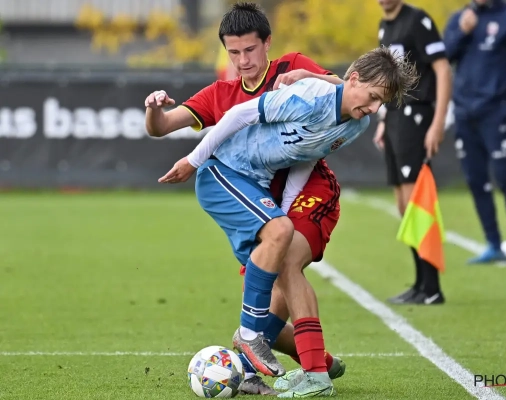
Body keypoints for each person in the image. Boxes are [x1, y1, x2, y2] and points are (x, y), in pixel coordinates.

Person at [159, 46, 417, 397]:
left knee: (283, 254)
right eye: (373, 97)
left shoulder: (358, 124)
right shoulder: (308, 96)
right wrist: (193, 159)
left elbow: (305, 157)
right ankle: (267, 346)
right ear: (354, 79)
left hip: (268, 186)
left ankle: (272, 360)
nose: (374, 108)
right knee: (279, 257)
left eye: (380, 103)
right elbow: (237, 115)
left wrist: (282, 210)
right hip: (228, 172)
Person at [144, 2, 351, 394]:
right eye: (234, 52)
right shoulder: (220, 94)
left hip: (309, 190)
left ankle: (310, 371)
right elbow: (161, 127)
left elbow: (346, 89)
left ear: (267, 43)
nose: (243, 61)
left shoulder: (291, 66)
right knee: (269, 302)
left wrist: (307, 76)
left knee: (284, 266)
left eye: (250, 50)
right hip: (257, 202)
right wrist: (153, 110)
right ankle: (316, 362)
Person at [444, 0, 506, 265]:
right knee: (476, 179)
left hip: (496, 112)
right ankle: (493, 244)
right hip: (464, 112)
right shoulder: (461, 18)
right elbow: (442, 57)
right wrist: (462, 32)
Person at [373, 0, 452, 305]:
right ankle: (420, 283)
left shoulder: (418, 20)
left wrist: (438, 123)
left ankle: (431, 287)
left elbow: (442, 70)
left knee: (416, 201)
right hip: (395, 116)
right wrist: (383, 118)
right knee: (403, 206)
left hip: (416, 116)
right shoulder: (384, 26)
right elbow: (390, 80)